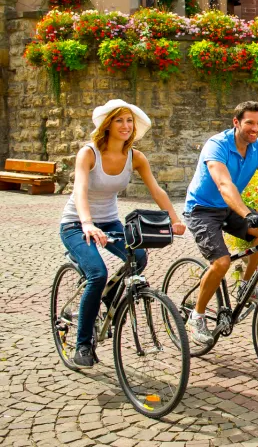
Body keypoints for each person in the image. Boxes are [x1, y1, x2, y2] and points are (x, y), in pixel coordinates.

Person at [59, 100, 186, 368]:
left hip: (109, 222)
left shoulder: (135, 157)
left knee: (138, 258)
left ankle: (107, 297)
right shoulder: (89, 153)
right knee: (97, 273)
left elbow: (156, 190)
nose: (126, 126)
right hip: (76, 224)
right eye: (119, 120)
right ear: (107, 125)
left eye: (129, 121)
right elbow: (79, 190)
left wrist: (175, 219)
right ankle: (83, 344)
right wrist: (87, 223)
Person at [183, 101, 258, 346]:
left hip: (228, 207)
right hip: (202, 209)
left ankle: (245, 285)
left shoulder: (257, 147)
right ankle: (196, 317)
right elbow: (224, 185)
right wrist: (246, 213)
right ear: (236, 122)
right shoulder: (217, 145)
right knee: (221, 262)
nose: (255, 128)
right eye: (250, 122)